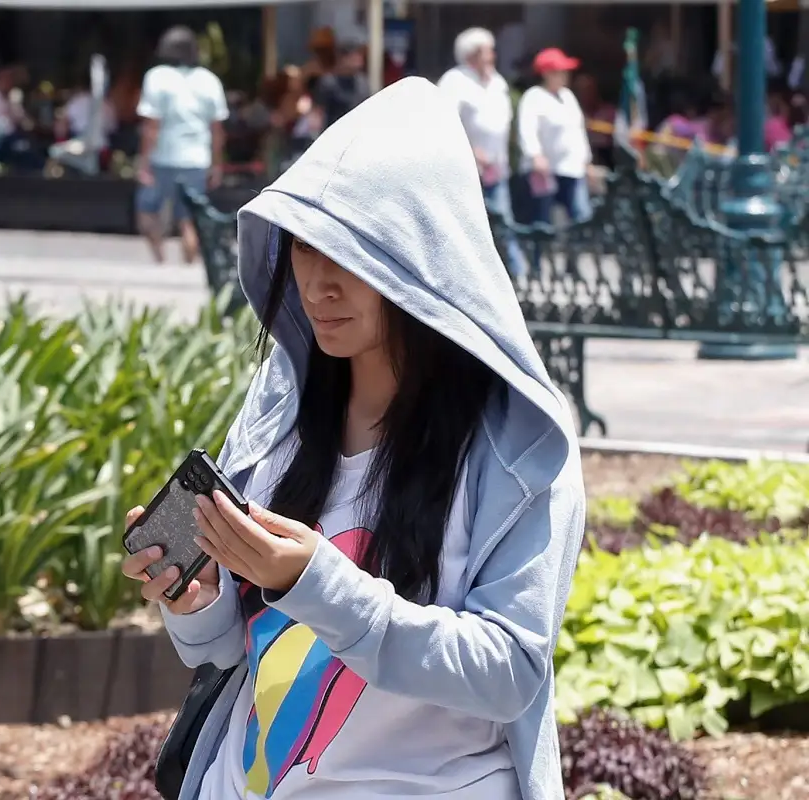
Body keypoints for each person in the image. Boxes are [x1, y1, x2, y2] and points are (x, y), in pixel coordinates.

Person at [122, 77, 584, 800]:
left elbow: (509, 673)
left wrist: (316, 585)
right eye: (302, 248)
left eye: (349, 253)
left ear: (425, 259)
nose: (317, 284)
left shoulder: (517, 444)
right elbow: (232, 651)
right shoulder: (282, 405)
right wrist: (198, 601)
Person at [135, 26, 229, 266]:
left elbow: (151, 126)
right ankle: (188, 267)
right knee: (188, 219)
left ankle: (160, 260)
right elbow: (217, 130)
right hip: (197, 159)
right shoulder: (209, 80)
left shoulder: (157, 77)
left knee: (146, 210)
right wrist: (217, 164)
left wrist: (143, 162)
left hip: (163, 157)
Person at [437, 27, 526, 277]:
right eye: (487, 52)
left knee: (504, 222)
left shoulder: (497, 82)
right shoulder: (454, 81)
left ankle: (518, 274)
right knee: (464, 226)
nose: (492, 56)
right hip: (465, 171)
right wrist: (472, 150)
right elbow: (445, 122)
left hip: (496, 169)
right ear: (472, 54)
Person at [517, 48, 592, 228]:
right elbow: (527, 129)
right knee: (543, 220)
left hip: (572, 168)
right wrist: (535, 155)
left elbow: (578, 130)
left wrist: (586, 159)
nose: (565, 76)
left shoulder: (568, 96)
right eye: (559, 71)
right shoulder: (533, 97)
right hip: (546, 170)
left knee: (581, 216)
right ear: (546, 74)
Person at [314, 39, 370, 130]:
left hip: (358, 131)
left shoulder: (363, 82)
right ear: (343, 58)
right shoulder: (328, 82)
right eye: (354, 56)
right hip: (334, 131)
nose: (359, 59)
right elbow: (319, 111)